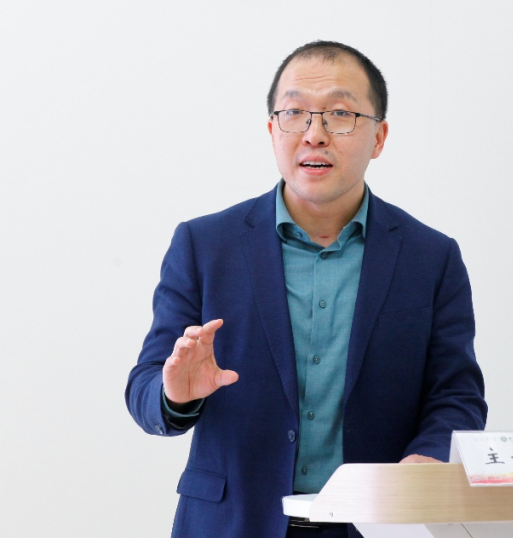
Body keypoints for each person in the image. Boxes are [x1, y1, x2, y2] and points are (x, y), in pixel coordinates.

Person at [125, 41, 487, 538]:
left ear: (379, 137)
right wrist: (175, 396)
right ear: (272, 131)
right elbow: (144, 387)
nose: (314, 134)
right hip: (230, 524)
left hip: (374, 524)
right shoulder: (204, 245)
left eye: (340, 114)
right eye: (294, 113)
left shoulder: (431, 257)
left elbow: (457, 394)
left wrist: (427, 458)